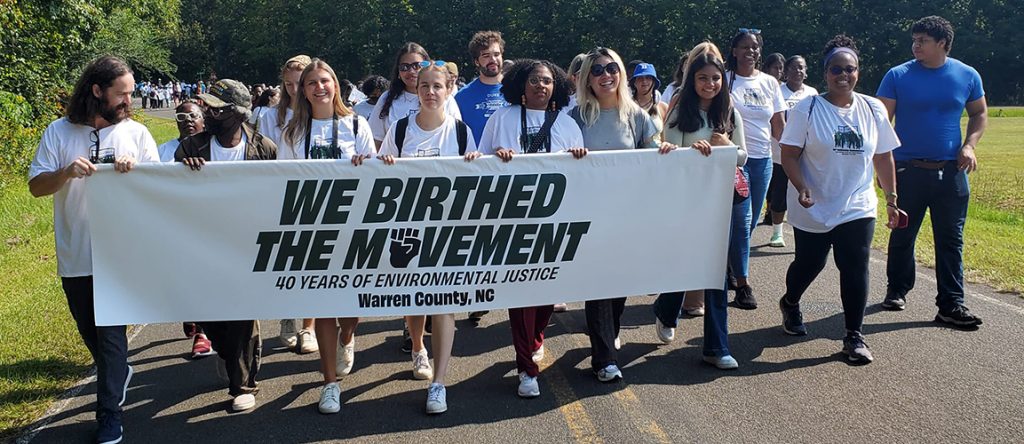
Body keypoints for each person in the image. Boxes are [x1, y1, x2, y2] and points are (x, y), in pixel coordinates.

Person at [28, 55, 158, 444]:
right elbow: (36, 187)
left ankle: (109, 416)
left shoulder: (135, 133)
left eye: (131, 94)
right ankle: (115, 373)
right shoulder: (58, 131)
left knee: (110, 336)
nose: (128, 102)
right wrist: (65, 172)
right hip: (76, 252)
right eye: (122, 95)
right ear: (97, 91)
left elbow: (160, 190)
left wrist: (136, 173)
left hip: (120, 255)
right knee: (90, 332)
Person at [778, 35, 900, 363]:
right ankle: (790, 302)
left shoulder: (873, 108)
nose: (843, 75)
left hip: (857, 202)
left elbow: (884, 156)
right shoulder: (808, 108)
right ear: (825, 72)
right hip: (812, 203)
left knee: (855, 262)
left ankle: (854, 336)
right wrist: (801, 186)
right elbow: (789, 154)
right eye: (836, 69)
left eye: (850, 69)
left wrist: (891, 198)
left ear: (858, 72)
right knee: (810, 263)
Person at [475, 59, 585, 396]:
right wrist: (496, 154)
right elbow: (479, 161)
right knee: (522, 295)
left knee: (546, 294)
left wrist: (580, 156)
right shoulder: (501, 118)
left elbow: (583, 176)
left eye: (548, 81)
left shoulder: (567, 124)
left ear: (558, 86)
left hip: (555, 222)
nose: (541, 86)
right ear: (521, 84)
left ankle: (536, 338)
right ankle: (527, 369)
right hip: (514, 221)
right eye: (535, 80)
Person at [275, 59, 376, 414]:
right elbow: (282, 184)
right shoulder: (292, 133)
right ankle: (329, 382)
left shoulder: (356, 124)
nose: (319, 87)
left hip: (353, 227)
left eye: (325, 80)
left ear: (336, 84)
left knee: (350, 306)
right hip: (312, 230)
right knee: (321, 304)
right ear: (301, 90)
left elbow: (375, 175)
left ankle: (348, 337)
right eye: (312, 83)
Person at [378, 61, 479, 414]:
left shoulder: (462, 132)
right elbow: (379, 177)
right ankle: (418, 346)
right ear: (416, 91)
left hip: (447, 231)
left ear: (448, 89)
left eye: (438, 86)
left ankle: (439, 382)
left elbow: (475, 183)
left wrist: (475, 162)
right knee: (413, 299)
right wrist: (383, 163)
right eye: (425, 87)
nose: (431, 92)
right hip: (408, 227)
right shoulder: (400, 130)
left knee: (445, 303)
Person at [878, 16, 986, 328]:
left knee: (951, 239)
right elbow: (882, 122)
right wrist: (884, 167)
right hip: (907, 169)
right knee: (902, 234)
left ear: (942, 43)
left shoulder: (967, 75)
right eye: (914, 40)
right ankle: (897, 289)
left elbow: (979, 113)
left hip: (951, 172)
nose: (915, 46)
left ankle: (951, 304)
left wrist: (970, 145)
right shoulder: (898, 75)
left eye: (922, 40)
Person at [175, 79, 277, 409]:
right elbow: (169, 192)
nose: (206, 110)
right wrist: (184, 173)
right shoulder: (191, 146)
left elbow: (275, 196)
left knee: (242, 316)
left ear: (235, 113)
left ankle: (243, 385)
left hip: (247, 246)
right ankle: (226, 351)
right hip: (202, 246)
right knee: (213, 317)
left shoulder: (263, 148)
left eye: (214, 107)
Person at [570, 47, 659, 382]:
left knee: (619, 283)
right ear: (587, 79)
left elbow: (653, 155)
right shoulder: (576, 115)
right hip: (589, 215)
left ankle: (608, 332)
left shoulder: (635, 114)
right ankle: (604, 357)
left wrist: (664, 150)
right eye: (597, 71)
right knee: (599, 284)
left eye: (612, 69)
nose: (606, 76)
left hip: (627, 213)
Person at [654, 49, 746, 370]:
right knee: (683, 264)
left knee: (716, 273)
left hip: (720, 201)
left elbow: (743, 156)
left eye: (716, 78)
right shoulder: (680, 108)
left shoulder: (730, 111)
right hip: (685, 200)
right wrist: (690, 151)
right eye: (703, 78)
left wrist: (726, 147)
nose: (710, 84)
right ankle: (666, 310)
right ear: (692, 79)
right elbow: (668, 149)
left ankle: (716, 347)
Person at [255, 54, 320, 352]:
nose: (294, 89)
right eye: (288, 84)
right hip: (279, 194)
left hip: (315, 195)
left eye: (299, 83)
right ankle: (287, 316)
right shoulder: (269, 116)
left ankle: (310, 326)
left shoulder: (318, 115)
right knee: (288, 261)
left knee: (314, 263)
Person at [725, 28, 787, 309]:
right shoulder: (726, 80)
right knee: (741, 218)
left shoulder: (770, 83)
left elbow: (778, 125)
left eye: (755, 47)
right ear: (734, 51)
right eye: (745, 47)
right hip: (735, 159)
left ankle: (729, 264)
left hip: (763, 160)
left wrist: (792, 156)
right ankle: (743, 284)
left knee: (748, 224)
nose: (751, 51)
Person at [767, 55, 819, 247]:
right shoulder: (777, 91)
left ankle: (806, 231)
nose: (798, 71)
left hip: (806, 154)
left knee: (805, 191)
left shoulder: (812, 93)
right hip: (780, 153)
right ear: (786, 71)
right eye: (794, 67)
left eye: (802, 68)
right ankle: (777, 232)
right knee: (779, 193)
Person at [369, 42, 462, 148]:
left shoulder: (445, 98)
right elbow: (376, 141)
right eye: (404, 67)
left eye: (417, 66)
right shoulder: (387, 99)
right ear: (398, 72)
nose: (411, 71)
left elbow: (457, 135)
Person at [455, 31, 509, 146]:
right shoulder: (462, 97)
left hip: (512, 160)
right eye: (486, 56)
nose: (493, 59)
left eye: (496, 54)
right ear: (476, 61)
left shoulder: (517, 91)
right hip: (477, 162)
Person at [630, 63, 668, 141]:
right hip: (633, 152)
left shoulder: (663, 108)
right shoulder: (626, 107)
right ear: (634, 83)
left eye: (648, 78)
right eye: (640, 78)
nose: (644, 81)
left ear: (654, 82)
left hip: (657, 152)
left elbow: (666, 139)